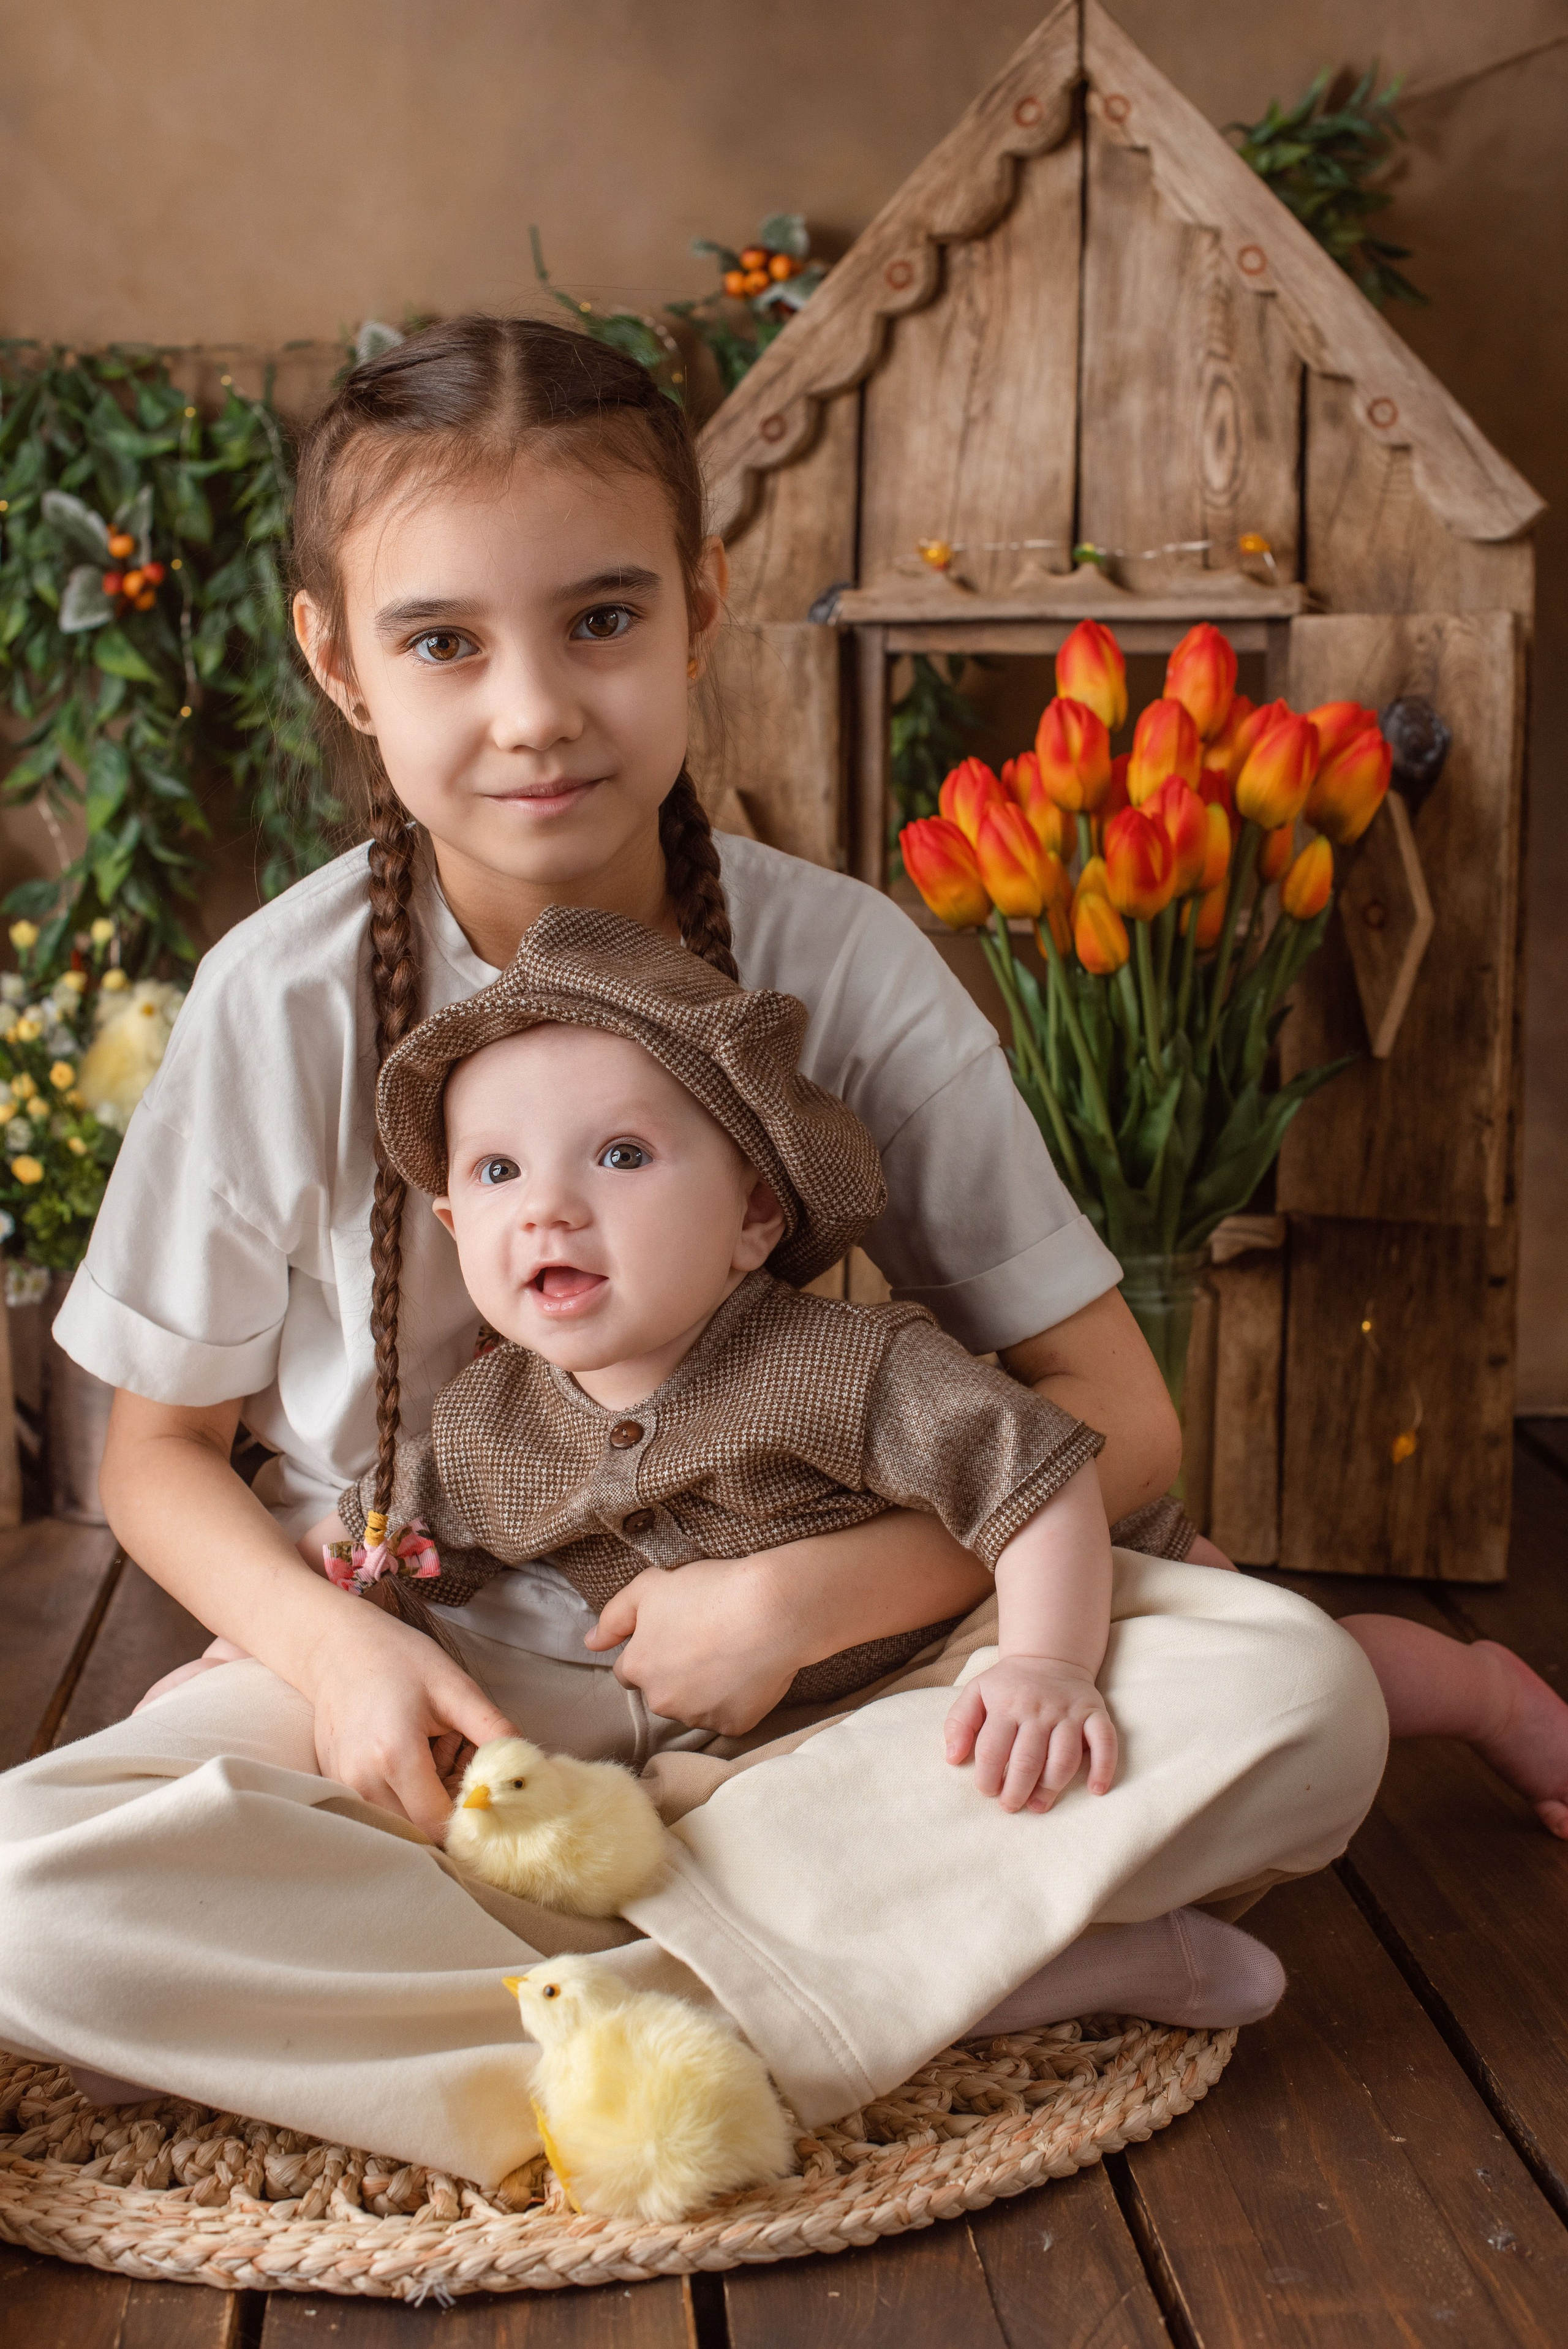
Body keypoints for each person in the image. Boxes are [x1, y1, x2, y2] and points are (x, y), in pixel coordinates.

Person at [0, 314, 1447, 2190]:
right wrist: (341, 1656)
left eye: (602, 621)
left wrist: (809, 1603)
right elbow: (156, 1456)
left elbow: (1117, 1415)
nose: (534, 709)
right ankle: (897, 1973)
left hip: (828, 1691)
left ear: (701, 609)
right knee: (31, 1907)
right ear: (338, 662)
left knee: (1299, 1704)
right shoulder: (272, 1001)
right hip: (439, 1691)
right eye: (445, 640)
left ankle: (563, 2006)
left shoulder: (839, 960)